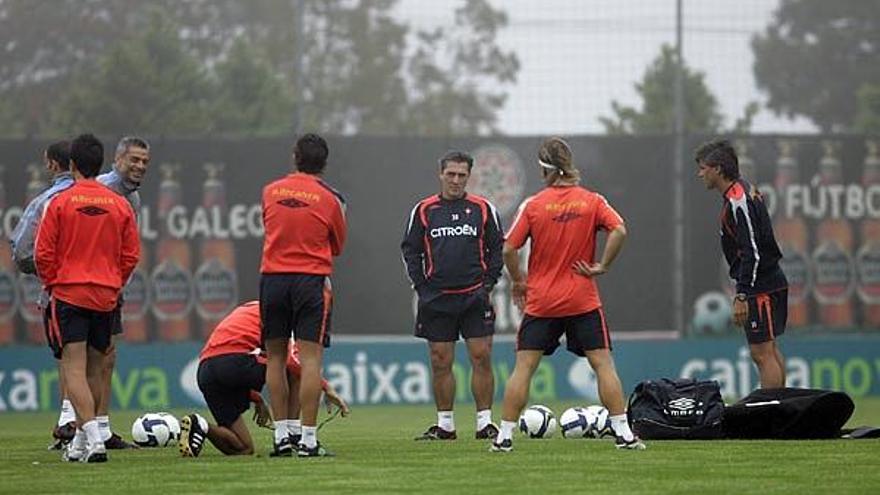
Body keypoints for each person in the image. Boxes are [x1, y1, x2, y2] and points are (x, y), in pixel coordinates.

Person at [491, 137, 645, 452]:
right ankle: (624, 435)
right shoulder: (592, 201)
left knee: (524, 369)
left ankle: (504, 437)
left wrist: (519, 281)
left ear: (546, 169)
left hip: (542, 301)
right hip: (582, 298)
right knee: (603, 365)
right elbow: (620, 230)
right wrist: (603, 265)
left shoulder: (533, 205)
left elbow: (508, 248)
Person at [35, 133, 140, 462]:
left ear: (72, 165)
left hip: (69, 292)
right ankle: (81, 442)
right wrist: (114, 281)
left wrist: (54, 282)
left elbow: (42, 253)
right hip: (106, 296)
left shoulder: (61, 201)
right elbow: (131, 254)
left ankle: (93, 441)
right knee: (96, 371)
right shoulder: (120, 204)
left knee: (74, 370)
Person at [401, 150, 503, 441]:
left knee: (481, 357)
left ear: (469, 176)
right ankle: (445, 425)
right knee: (440, 360)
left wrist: (488, 284)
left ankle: (485, 424)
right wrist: (421, 287)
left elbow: (498, 249)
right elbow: (410, 250)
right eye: (451, 174)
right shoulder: (423, 210)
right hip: (437, 299)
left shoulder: (483, 209)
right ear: (441, 174)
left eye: (462, 175)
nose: (456, 180)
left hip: (474, 296)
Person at [260, 133, 347, 457]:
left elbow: (268, 226)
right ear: (324, 162)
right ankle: (308, 440)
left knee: (276, 359)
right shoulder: (330, 198)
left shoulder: (269, 192)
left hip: (273, 280)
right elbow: (337, 245)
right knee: (310, 361)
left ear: (294, 156)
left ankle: (281, 437)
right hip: (310, 282)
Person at [178, 301, 349, 458]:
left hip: (206, 371)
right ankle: (293, 433)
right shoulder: (280, 314)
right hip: (233, 361)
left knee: (244, 448)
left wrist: (257, 399)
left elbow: (228, 364)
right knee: (291, 370)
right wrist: (326, 387)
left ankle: (200, 425)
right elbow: (291, 362)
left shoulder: (251, 308)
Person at [695, 139, 788, 388]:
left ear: (717, 169)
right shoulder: (743, 190)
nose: (700, 173)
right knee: (769, 350)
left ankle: (772, 414)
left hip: (761, 286)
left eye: (703, 168)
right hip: (769, 281)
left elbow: (752, 251)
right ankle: (780, 414)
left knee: (762, 353)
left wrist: (743, 294)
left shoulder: (738, 200)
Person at [9, 141, 76, 449]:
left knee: (69, 358)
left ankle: (71, 427)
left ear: (52, 165)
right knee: (96, 361)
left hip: (62, 291)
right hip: (104, 290)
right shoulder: (108, 199)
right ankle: (94, 429)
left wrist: (49, 271)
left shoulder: (47, 201)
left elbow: (22, 252)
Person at [94, 136, 151, 449]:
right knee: (79, 358)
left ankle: (100, 428)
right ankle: (75, 426)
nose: (140, 166)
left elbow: (127, 249)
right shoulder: (101, 188)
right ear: (117, 159)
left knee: (105, 355)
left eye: (144, 161)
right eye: (134, 160)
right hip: (86, 285)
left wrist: (119, 285)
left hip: (109, 287)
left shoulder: (134, 199)